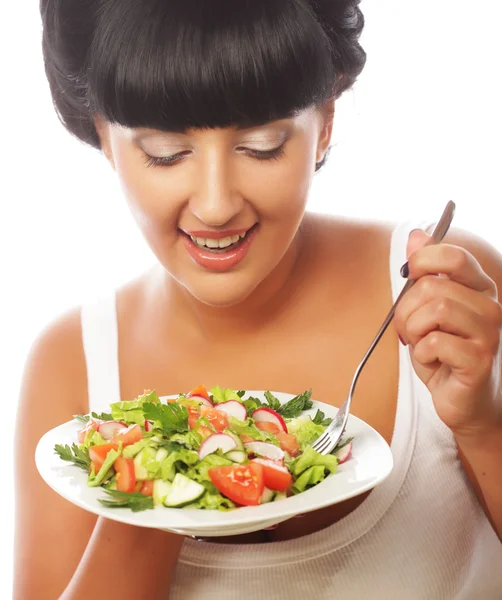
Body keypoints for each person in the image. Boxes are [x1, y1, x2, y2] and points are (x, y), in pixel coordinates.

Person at [14, 1, 502, 598]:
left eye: (263, 145)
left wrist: (482, 422)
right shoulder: (71, 366)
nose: (216, 204)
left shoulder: (446, 301)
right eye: (166, 152)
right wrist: (155, 479)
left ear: (324, 119)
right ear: (105, 139)